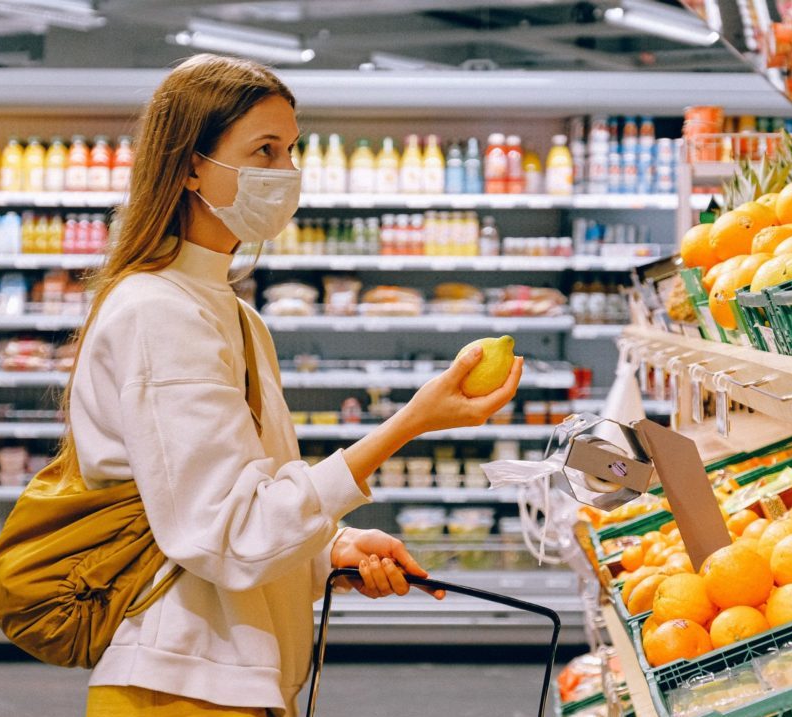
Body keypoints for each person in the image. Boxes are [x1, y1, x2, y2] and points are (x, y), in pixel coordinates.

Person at [69, 54, 523, 717]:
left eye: (292, 150)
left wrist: (327, 549)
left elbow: (248, 501)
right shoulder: (157, 312)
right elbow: (228, 532)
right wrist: (407, 424)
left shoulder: (234, 315)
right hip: (178, 687)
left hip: (236, 683)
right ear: (192, 164)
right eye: (265, 150)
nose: (287, 173)